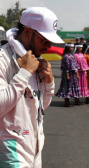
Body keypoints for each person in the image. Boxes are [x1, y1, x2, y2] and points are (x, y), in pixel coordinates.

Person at [0, 7, 63, 167]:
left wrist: (49, 82)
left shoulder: (36, 59)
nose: (48, 46)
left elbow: (42, 106)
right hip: (10, 148)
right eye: (44, 40)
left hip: (34, 146)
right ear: (27, 32)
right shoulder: (3, 59)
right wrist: (24, 73)